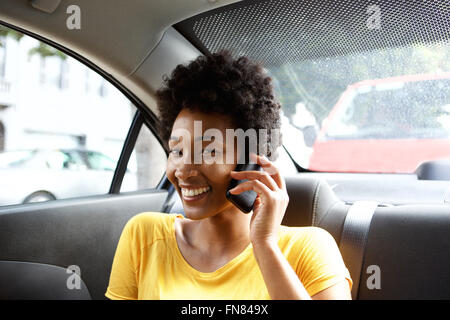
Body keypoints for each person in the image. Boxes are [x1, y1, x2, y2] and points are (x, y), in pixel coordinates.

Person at [105, 50, 352, 300]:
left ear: (251, 159)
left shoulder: (309, 249)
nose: (183, 170)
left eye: (208, 151)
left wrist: (265, 246)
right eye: (177, 150)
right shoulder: (144, 235)